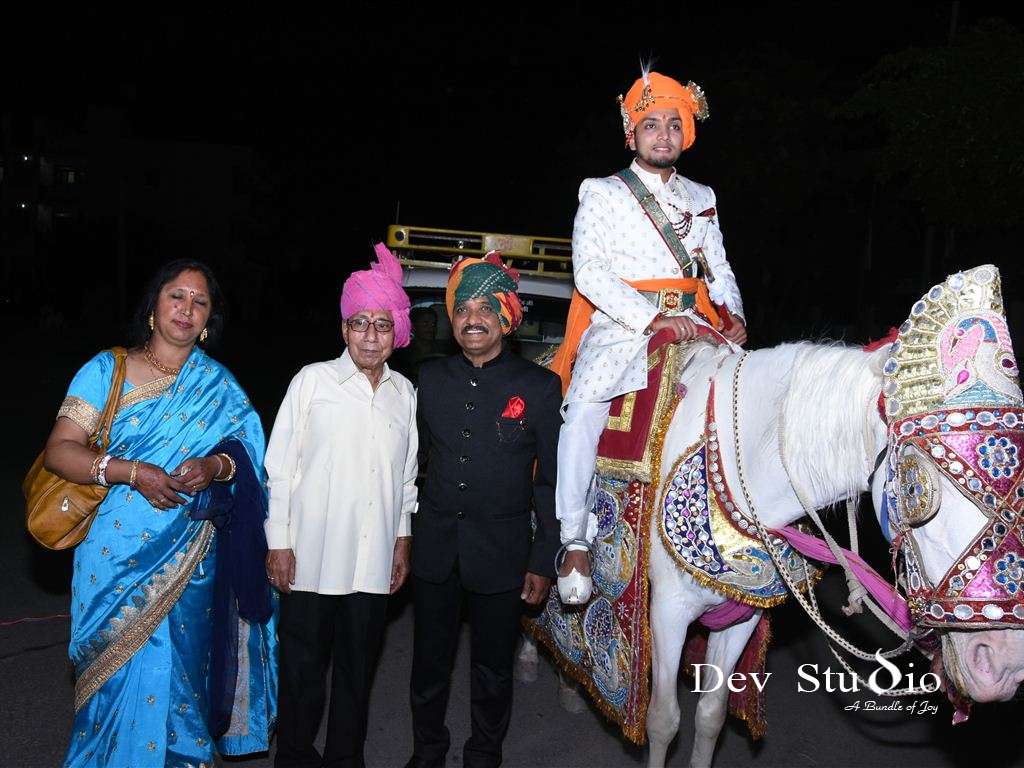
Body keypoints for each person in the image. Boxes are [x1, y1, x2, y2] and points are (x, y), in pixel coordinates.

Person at [44, 259, 276, 767]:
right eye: (177, 296)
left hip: (190, 561)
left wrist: (214, 466)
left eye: (200, 302)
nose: (186, 309)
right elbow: (59, 451)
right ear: (154, 306)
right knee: (110, 681)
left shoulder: (218, 386)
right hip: (112, 556)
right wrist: (131, 472)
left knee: (183, 679)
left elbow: (250, 460)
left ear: (208, 320)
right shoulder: (107, 371)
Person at [550, 68, 748, 591]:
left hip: (697, 322)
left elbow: (718, 267)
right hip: (623, 326)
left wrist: (735, 315)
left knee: (746, 396)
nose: (664, 135)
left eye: (673, 125)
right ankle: (573, 539)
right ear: (631, 134)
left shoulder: (702, 195)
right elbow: (590, 272)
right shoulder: (603, 192)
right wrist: (652, 318)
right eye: (652, 125)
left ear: (686, 133)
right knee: (583, 410)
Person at [264, 242, 418, 768]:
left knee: (357, 674)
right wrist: (278, 543)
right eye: (359, 323)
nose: (370, 335)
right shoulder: (312, 382)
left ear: (396, 332)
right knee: (303, 674)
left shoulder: (405, 394)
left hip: (372, 563)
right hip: (310, 557)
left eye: (382, 324)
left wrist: (402, 541)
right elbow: (280, 467)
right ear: (343, 329)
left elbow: (405, 478)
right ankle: (295, 759)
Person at [407, 252, 562, 768]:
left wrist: (543, 559)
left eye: (485, 308)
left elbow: (549, 483)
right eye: (462, 308)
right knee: (428, 666)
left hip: (502, 555)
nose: (472, 318)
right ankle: (427, 752)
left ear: (506, 316)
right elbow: (410, 464)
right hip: (435, 551)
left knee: (493, 672)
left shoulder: (540, 387)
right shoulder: (429, 379)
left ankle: (483, 756)